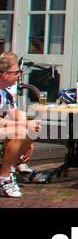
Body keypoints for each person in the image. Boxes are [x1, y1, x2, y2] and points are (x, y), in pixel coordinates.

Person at [0, 54, 38, 197]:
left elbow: (15, 115)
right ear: (5, 75)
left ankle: (9, 172)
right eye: (16, 72)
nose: (18, 76)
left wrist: (29, 142)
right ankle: (4, 177)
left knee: (27, 130)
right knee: (20, 131)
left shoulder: (6, 93)